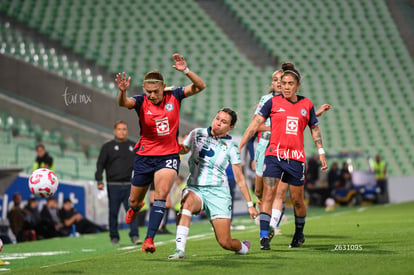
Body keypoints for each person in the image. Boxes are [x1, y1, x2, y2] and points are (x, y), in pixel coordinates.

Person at [116, 53, 206, 253]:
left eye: (155, 91)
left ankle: (149, 239)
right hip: (144, 156)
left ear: (162, 87)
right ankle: (134, 208)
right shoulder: (141, 102)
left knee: (161, 195)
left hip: (168, 156)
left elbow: (200, 87)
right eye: (148, 91)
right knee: (134, 200)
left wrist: (186, 71)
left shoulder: (175, 96)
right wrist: (122, 92)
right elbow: (124, 103)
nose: (151, 95)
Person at [239, 62, 328, 250]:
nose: (286, 86)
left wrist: (321, 152)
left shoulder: (307, 104)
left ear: (297, 86)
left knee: (296, 200)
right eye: (283, 83)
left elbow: (313, 127)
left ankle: (299, 233)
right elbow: (255, 124)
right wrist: (240, 146)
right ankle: (264, 236)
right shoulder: (271, 102)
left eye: (290, 83)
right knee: (267, 194)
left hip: (296, 158)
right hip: (274, 155)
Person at [168, 108, 258, 259]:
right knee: (187, 203)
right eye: (217, 119)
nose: (218, 123)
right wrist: (175, 146)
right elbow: (183, 149)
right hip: (195, 188)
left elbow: (240, 178)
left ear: (231, 127)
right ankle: (179, 249)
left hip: (218, 194)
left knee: (225, 242)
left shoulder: (231, 147)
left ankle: (243, 247)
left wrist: (250, 205)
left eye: (224, 122)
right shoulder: (196, 133)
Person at [95, 120, 141, 246]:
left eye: (124, 129)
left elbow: (141, 164)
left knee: (132, 211)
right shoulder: (107, 147)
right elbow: (100, 164)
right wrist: (99, 179)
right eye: (119, 129)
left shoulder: (133, 146)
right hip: (113, 185)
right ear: (115, 131)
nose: (122, 131)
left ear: (127, 131)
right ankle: (114, 237)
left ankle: (134, 235)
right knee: (113, 212)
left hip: (129, 185)